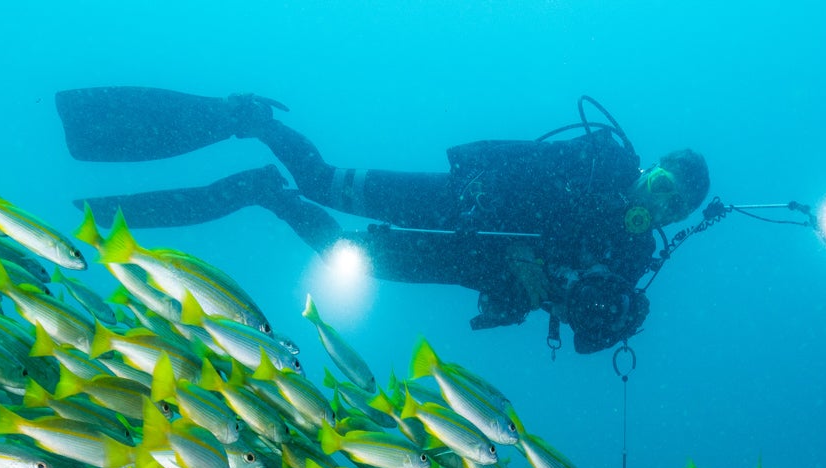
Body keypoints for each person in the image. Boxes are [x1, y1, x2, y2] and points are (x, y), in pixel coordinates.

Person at [55, 88, 709, 353]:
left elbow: (589, 328)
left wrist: (620, 313)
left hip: (463, 264)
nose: (657, 202)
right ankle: (248, 119)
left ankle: (263, 192)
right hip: (460, 203)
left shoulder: (632, 259)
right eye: (662, 184)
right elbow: (531, 169)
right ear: (650, 168)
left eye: (673, 204)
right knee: (324, 179)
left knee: (343, 251)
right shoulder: (604, 159)